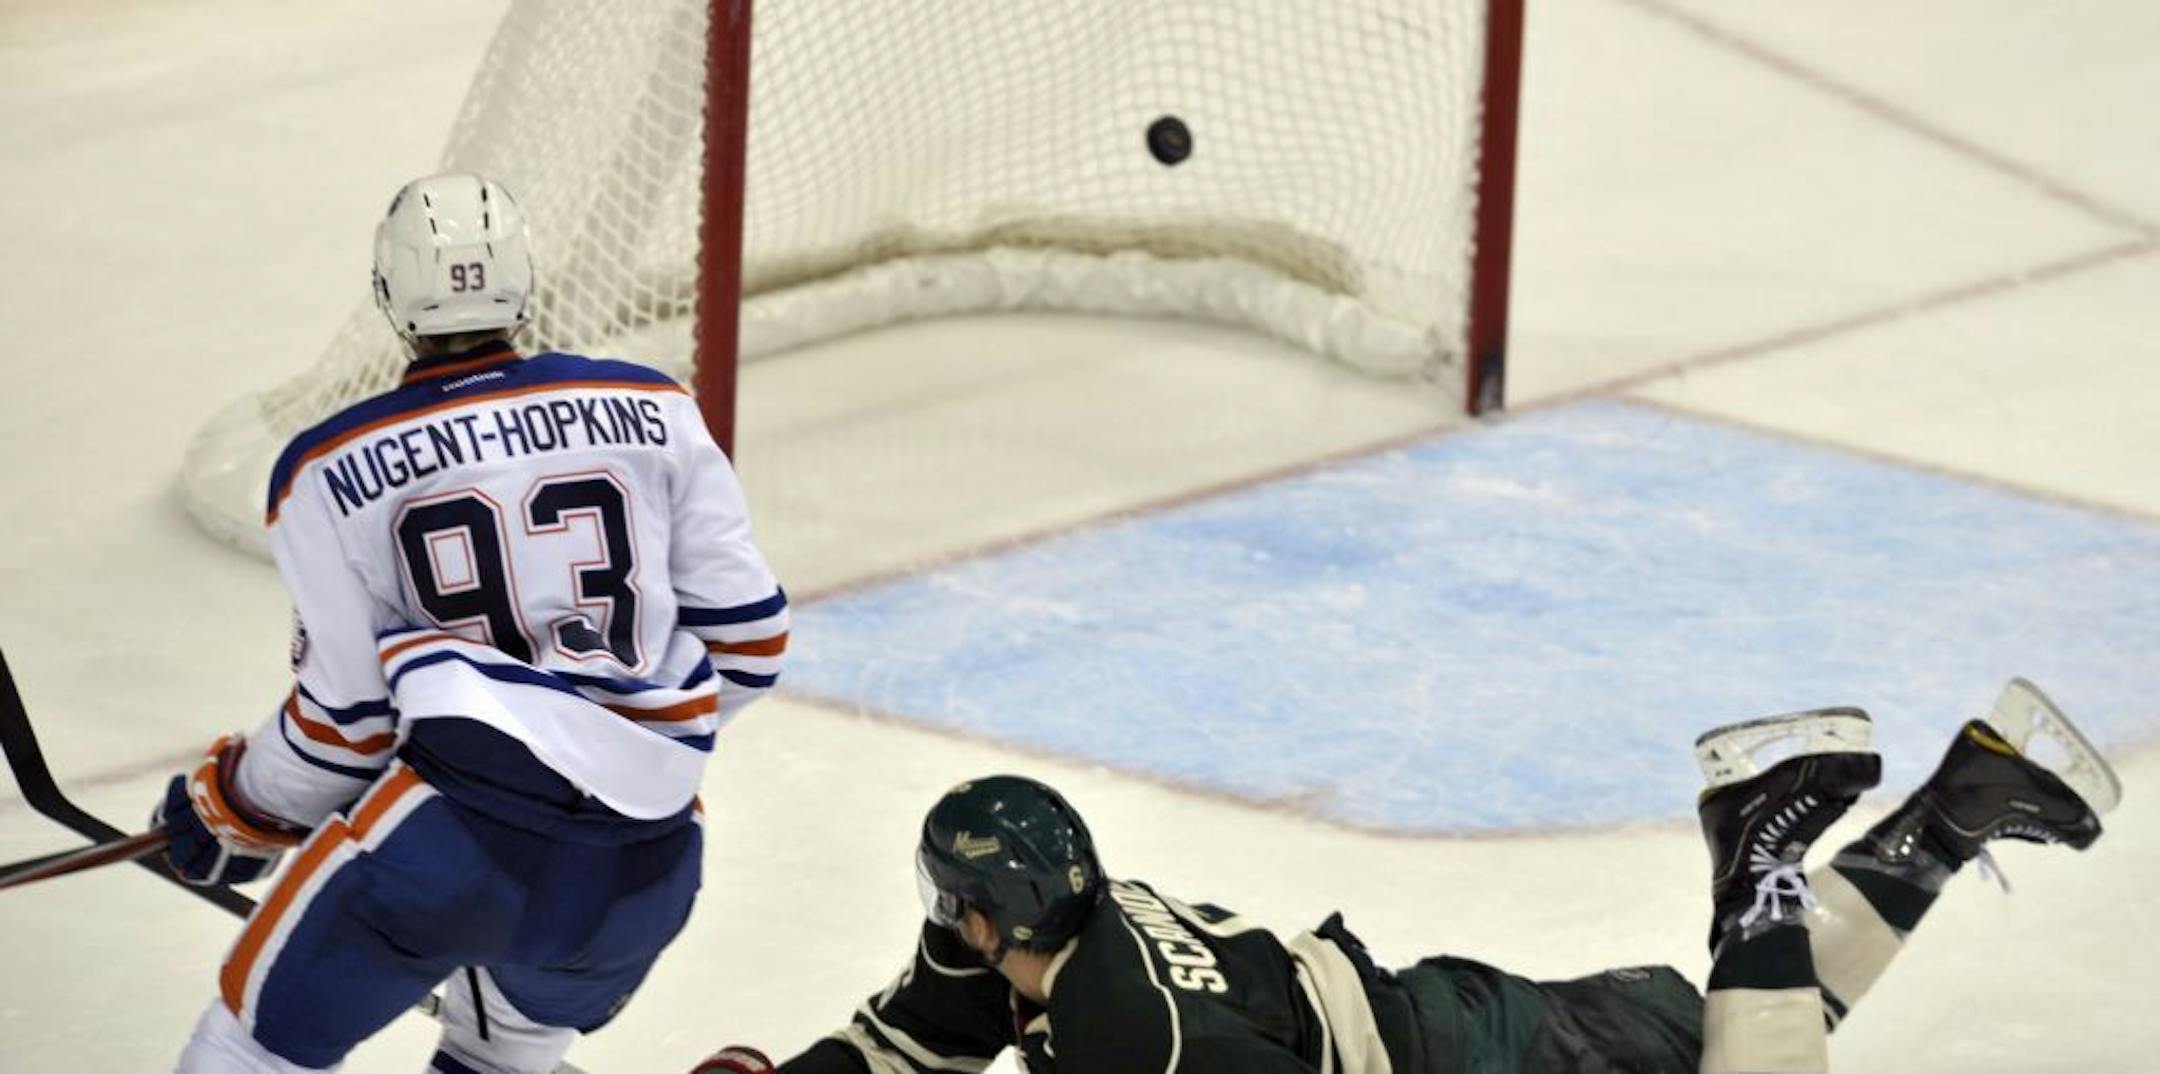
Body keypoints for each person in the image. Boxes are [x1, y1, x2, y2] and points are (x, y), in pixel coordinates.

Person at [155, 172, 789, 1074]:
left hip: (448, 849)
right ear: (525, 281)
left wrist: (240, 807)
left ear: (388, 295)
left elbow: (346, 723)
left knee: (251, 1050)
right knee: (497, 1062)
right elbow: (753, 648)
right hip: (643, 869)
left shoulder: (326, 469)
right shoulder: (657, 408)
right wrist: (608, 752)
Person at [691, 681, 2116, 1074]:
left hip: (1463, 1056)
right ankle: (1958, 806)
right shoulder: (1054, 935)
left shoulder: (1133, 1032)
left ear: (979, 906)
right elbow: (911, 1046)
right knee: (1752, 1037)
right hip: (1454, 1017)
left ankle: (1756, 845)